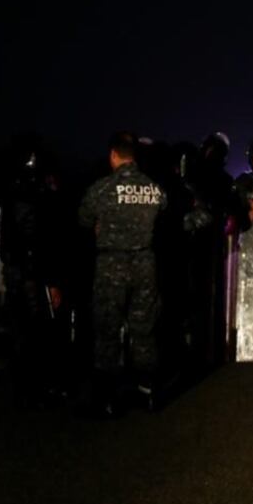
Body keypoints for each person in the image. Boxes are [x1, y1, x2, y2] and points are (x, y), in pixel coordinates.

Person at [78, 132, 167, 416]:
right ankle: (148, 392)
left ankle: (107, 397)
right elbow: (164, 215)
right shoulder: (153, 188)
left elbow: (83, 218)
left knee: (107, 328)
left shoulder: (102, 188)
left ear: (113, 156)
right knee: (144, 328)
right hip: (144, 265)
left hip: (111, 266)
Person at [0, 137, 68, 406]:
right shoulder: (35, 196)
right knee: (37, 329)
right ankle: (37, 386)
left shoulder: (13, 191)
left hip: (20, 271)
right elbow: (41, 238)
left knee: (23, 330)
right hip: (32, 272)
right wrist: (51, 279)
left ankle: (26, 386)